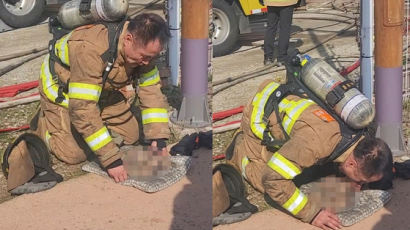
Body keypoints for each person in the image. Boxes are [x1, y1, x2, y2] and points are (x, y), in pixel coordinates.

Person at [11, 13, 171, 189]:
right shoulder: (89, 48)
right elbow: (83, 109)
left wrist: (158, 138)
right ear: (128, 39)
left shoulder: (143, 52)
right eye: (144, 56)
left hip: (100, 90)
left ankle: (93, 126)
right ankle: (45, 124)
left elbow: (152, 93)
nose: (147, 62)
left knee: (131, 135)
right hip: (64, 94)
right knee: (73, 154)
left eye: (151, 57)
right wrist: (111, 160)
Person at [214, 78, 392, 229]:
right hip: (259, 115)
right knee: (269, 180)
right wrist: (312, 213)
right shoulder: (316, 143)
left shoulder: (365, 130)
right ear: (351, 163)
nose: (359, 186)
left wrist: (351, 178)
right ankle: (240, 150)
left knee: (321, 173)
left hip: (292, 105)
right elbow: (273, 180)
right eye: (360, 180)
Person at [263, 0, 297, 66]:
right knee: (284, 29)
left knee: (271, 28)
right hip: (287, 3)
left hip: (271, 2)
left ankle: (268, 58)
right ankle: (282, 58)